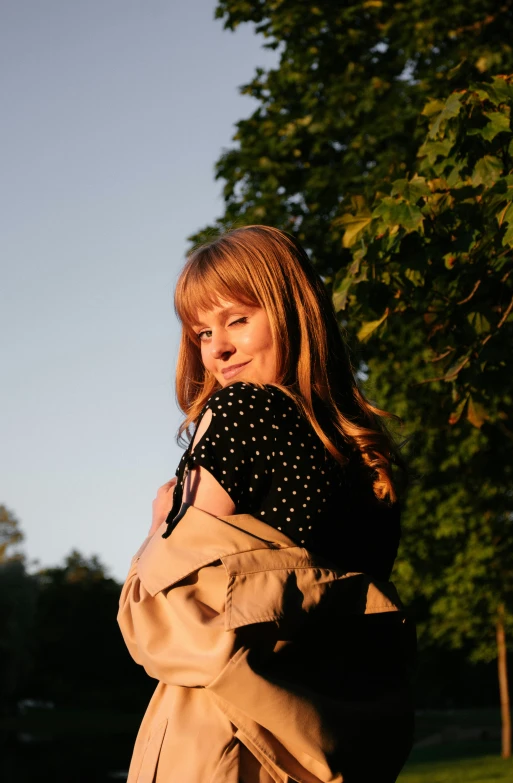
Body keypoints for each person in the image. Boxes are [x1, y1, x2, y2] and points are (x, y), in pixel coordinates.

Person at [117, 225, 416, 783]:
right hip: (327, 744)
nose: (218, 348)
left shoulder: (243, 414)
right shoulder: (365, 458)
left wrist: (158, 531)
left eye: (237, 319)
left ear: (292, 314)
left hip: (231, 745)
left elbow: (165, 621)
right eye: (202, 331)